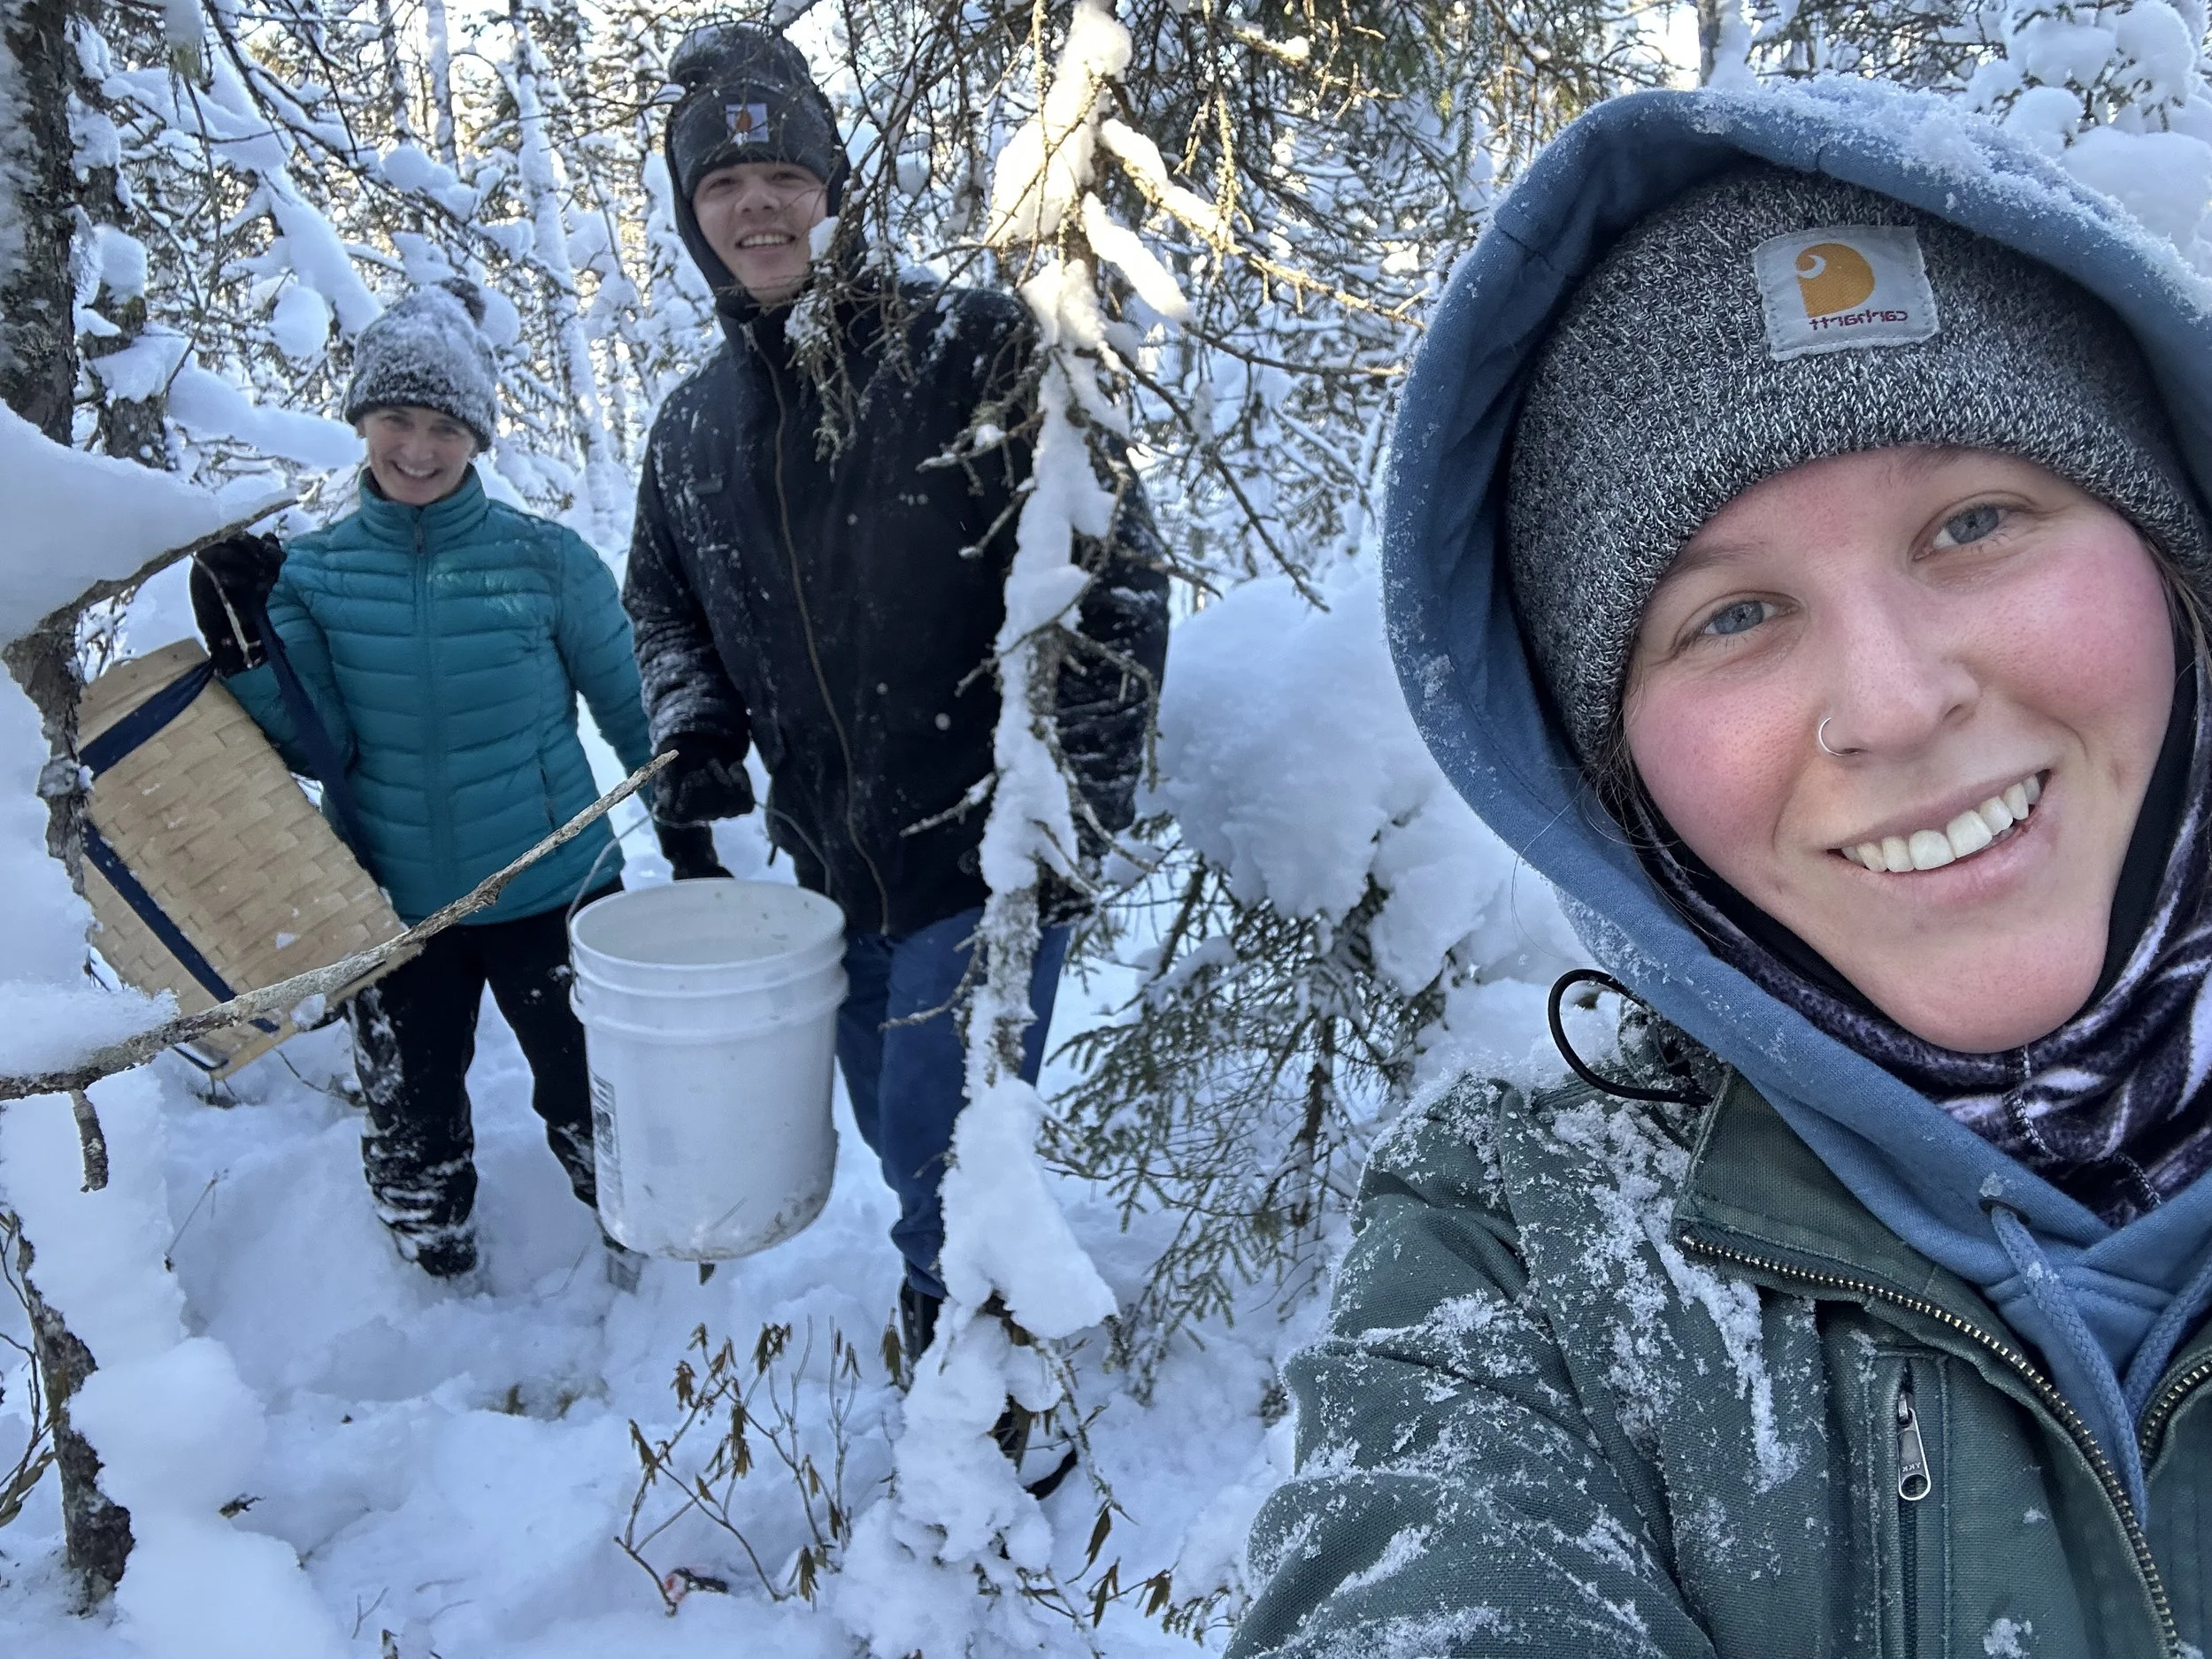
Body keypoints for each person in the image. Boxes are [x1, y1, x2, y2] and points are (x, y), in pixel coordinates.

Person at [1229, 85, 2212, 1657]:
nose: (1893, 704)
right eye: (1730, 619)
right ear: (1611, 785)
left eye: (1974, 520)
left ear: (2177, 562)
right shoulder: (1527, 1256)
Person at [624, 27, 1170, 1363]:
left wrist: (1071, 812)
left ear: (833, 188)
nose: (757, 205)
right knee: (893, 1121)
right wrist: (694, 728)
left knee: (941, 1131)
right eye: (722, 187)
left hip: (986, 841)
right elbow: (664, 604)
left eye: (782, 175)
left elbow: (1119, 576)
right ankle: (964, 1277)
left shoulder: (970, 346)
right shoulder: (694, 428)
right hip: (826, 866)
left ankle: (980, 1364)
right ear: (696, 221)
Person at [190, 280, 656, 1284]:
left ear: (477, 437)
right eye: (396, 419)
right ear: (363, 422)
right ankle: (433, 1284)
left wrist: (695, 838)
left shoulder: (546, 563)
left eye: (444, 424)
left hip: (554, 886)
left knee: (596, 1100)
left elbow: (636, 713)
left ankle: (646, 1271)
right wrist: (247, 649)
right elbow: (316, 746)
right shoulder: (311, 576)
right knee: (411, 1118)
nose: (417, 447)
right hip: (390, 906)